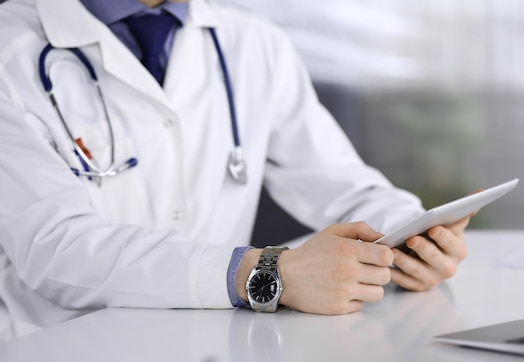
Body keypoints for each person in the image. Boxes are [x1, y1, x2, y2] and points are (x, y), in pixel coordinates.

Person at [0, 0, 471, 335]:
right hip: (57, 360)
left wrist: (409, 240)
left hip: (212, 356)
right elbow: (53, 247)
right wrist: (265, 273)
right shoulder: (10, 51)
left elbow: (340, 181)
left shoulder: (251, 41)